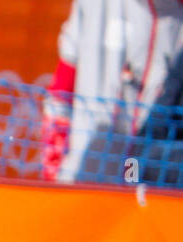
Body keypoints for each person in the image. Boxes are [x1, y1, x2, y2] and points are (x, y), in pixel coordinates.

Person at [42, 0, 183, 185]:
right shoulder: (95, 5)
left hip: (149, 192)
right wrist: (54, 170)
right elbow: (62, 90)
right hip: (83, 178)